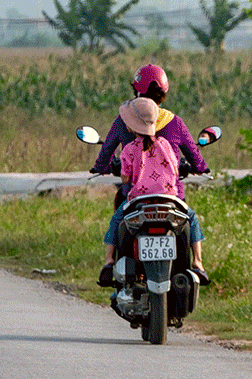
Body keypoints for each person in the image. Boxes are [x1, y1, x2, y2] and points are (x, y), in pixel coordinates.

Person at [90, 63, 210, 286]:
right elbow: (193, 158)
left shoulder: (125, 129)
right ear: (164, 93)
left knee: (116, 221)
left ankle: (108, 262)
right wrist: (200, 167)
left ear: (136, 89)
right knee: (191, 218)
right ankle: (198, 264)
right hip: (171, 198)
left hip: (135, 200)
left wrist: (101, 167)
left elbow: (106, 153)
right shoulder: (171, 129)